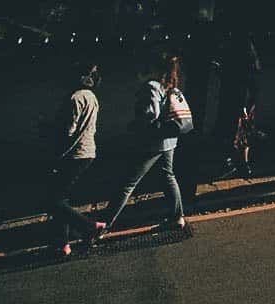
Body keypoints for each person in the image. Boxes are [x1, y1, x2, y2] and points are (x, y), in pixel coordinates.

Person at [101, 54, 187, 232]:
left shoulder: (152, 87)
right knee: (168, 175)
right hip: (170, 140)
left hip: (153, 142)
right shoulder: (172, 86)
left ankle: (102, 226)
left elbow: (150, 116)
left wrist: (134, 125)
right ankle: (177, 216)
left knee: (128, 183)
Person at [48, 62, 106, 257]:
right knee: (61, 199)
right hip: (88, 151)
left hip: (73, 154)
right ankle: (62, 244)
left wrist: (49, 128)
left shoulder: (74, 98)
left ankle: (90, 227)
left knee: (54, 201)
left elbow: (68, 130)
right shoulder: (92, 97)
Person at [220, 37, 262, 179]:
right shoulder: (254, 68)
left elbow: (241, 89)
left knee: (237, 135)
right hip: (250, 105)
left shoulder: (239, 70)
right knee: (245, 137)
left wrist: (242, 106)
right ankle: (244, 164)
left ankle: (237, 164)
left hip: (241, 104)